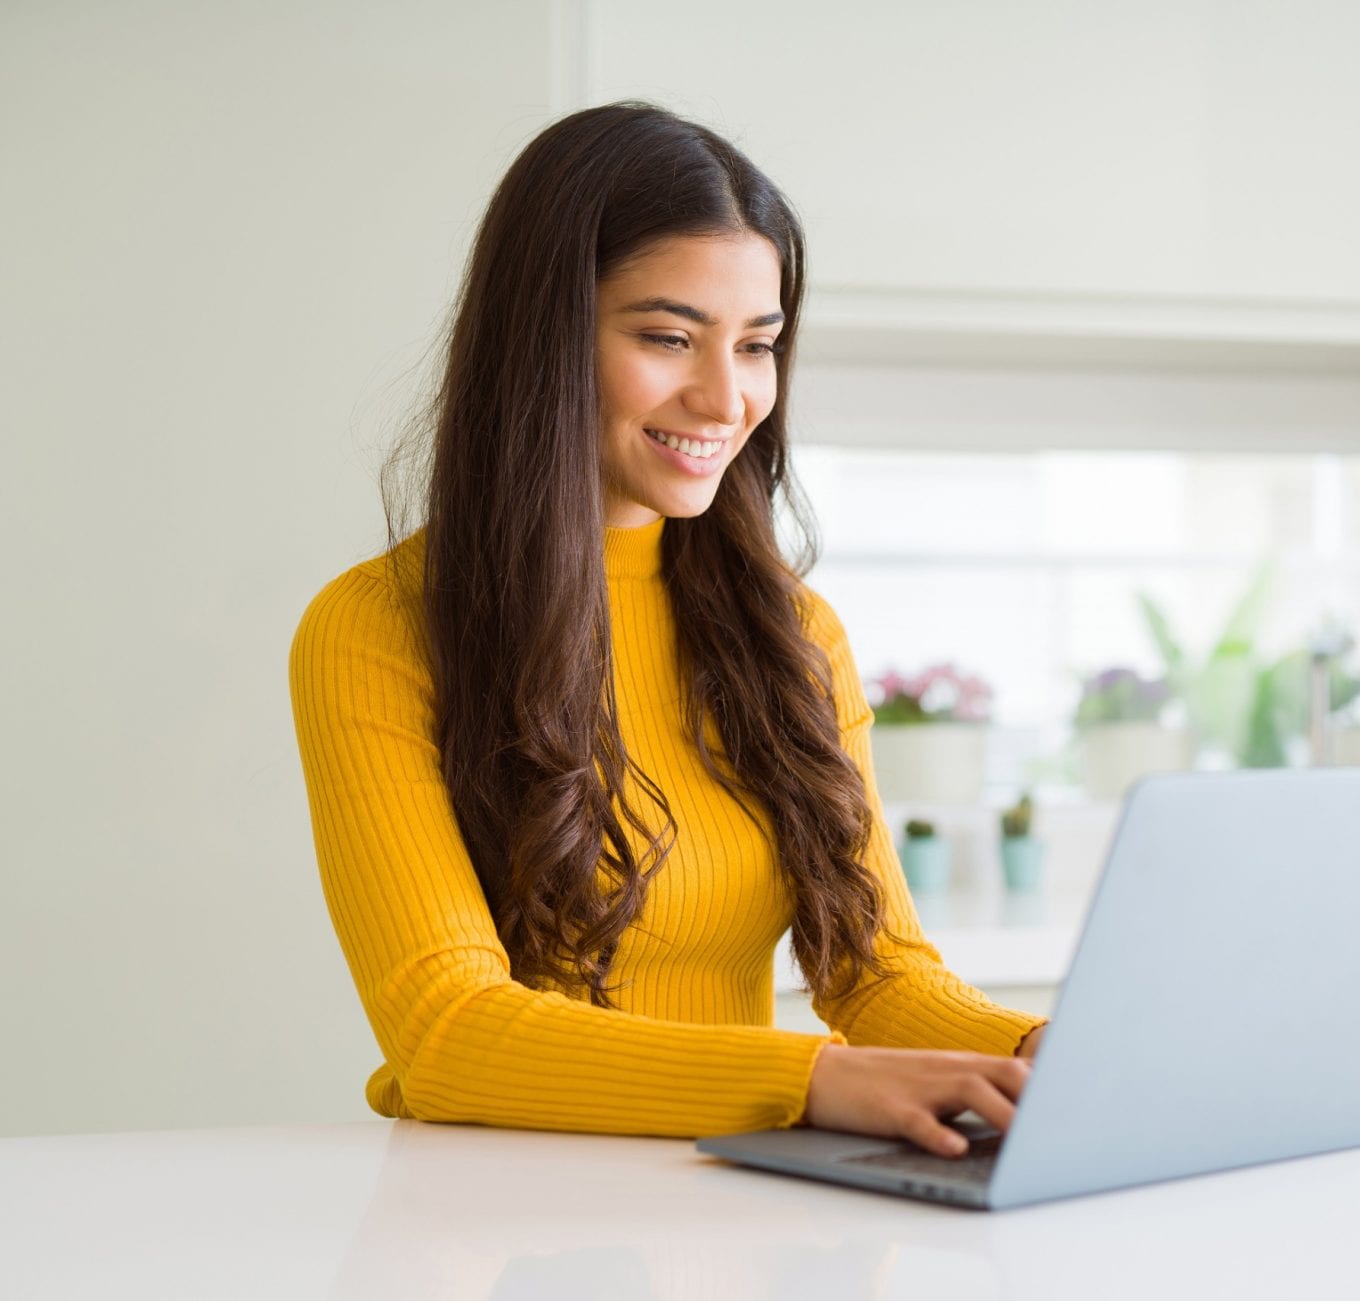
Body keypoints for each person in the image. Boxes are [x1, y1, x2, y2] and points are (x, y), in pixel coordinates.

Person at [288, 101, 1045, 1161]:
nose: (725, 397)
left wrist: (1047, 1049)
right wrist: (814, 1079)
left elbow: (878, 973)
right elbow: (447, 1028)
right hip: (491, 1218)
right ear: (545, 337)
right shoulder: (378, 627)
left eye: (758, 345)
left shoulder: (794, 632)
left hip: (733, 1199)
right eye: (668, 336)